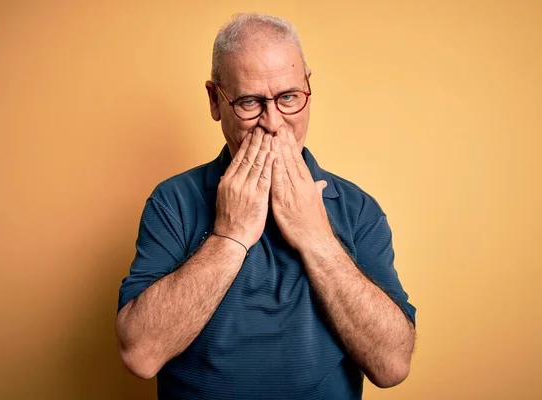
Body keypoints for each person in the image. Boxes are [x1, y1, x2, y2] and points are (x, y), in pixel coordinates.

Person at [116, 12, 417, 400]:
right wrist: (230, 235)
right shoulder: (173, 202)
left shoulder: (358, 209)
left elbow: (392, 367)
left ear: (308, 89)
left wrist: (317, 239)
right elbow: (140, 355)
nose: (274, 123)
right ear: (215, 100)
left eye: (289, 97)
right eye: (250, 102)